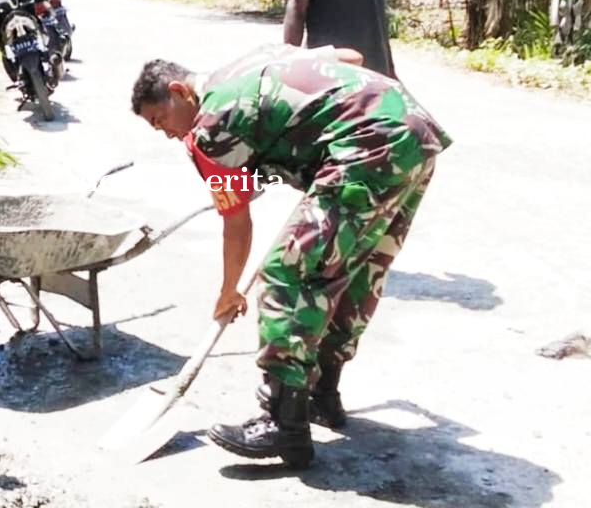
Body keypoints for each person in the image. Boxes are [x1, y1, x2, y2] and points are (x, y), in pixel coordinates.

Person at [131, 43, 450, 467]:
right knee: (354, 270)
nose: (169, 133)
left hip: (362, 153)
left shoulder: (210, 130)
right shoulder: (248, 60)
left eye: (162, 120)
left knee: (287, 270)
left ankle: (283, 424)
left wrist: (229, 290)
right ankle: (321, 395)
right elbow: (350, 58)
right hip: (410, 132)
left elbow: (237, 222)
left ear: (179, 91)